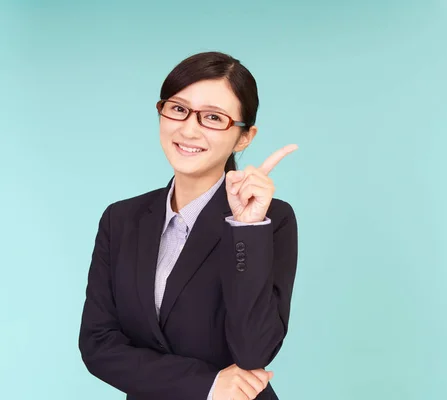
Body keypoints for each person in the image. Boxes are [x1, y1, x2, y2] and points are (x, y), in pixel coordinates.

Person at [78, 51, 299, 400]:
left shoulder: (271, 220)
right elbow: (98, 345)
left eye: (213, 117)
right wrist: (206, 384)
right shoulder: (120, 220)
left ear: (244, 137)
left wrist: (246, 229)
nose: (189, 129)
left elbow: (254, 350)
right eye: (178, 109)